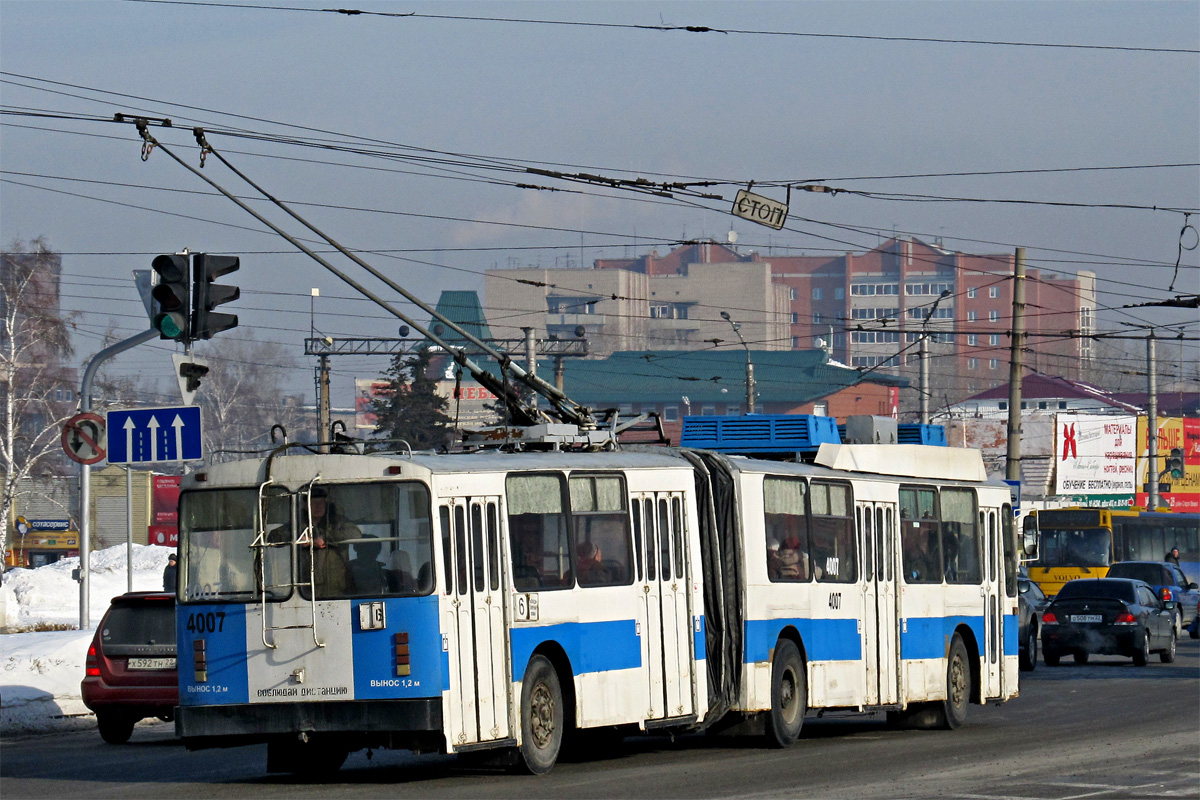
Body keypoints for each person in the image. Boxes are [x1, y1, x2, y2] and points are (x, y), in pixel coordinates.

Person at [299, 486, 361, 597]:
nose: (318, 507)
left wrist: (325, 538)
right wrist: (297, 538)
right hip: (306, 588)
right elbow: (273, 537)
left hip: (337, 586)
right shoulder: (298, 524)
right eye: (313, 503)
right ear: (305, 506)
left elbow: (355, 534)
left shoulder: (337, 522)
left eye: (321, 503)